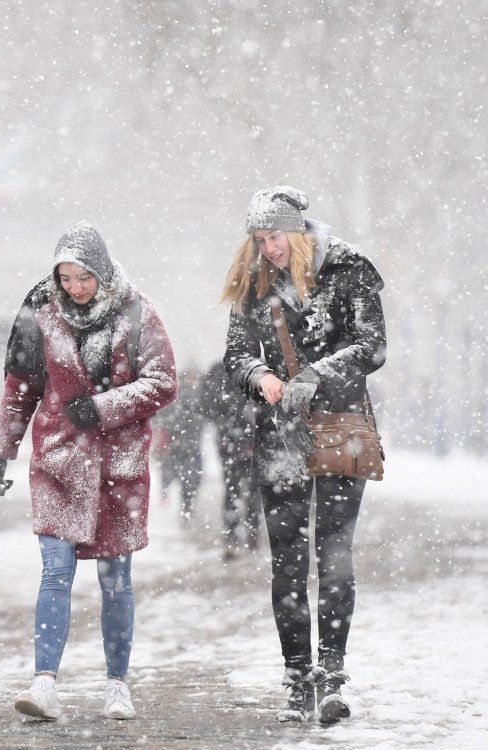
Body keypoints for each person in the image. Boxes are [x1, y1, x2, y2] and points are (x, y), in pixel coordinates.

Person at [0, 222, 177, 722]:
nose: (74, 288)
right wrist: (1, 451)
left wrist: (104, 407)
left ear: (103, 272)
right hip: (58, 463)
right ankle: (43, 681)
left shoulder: (137, 314)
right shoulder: (39, 314)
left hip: (118, 468)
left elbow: (162, 382)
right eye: (66, 278)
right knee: (55, 572)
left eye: (84, 277)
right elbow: (20, 388)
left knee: (116, 579)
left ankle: (117, 684)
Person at [221, 186, 386, 724]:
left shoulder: (349, 268)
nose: (269, 248)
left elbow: (372, 345)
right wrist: (259, 376)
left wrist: (317, 375)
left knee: (335, 554)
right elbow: (236, 353)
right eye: (260, 239)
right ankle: (297, 677)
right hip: (281, 434)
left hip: (342, 426)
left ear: (297, 230)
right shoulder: (255, 281)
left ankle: (332, 674)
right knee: (288, 560)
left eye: (276, 237)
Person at [199, 359, 261, 559]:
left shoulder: (219, 370)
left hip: (232, 440)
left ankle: (235, 538)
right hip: (247, 438)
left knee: (233, 487)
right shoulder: (259, 367)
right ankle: (250, 536)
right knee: (250, 488)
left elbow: (205, 404)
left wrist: (224, 420)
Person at [154, 367, 206, 520]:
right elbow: (165, 416)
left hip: (189, 445)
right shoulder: (179, 396)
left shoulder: (199, 396)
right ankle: (179, 506)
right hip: (178, 445)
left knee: (190, 479)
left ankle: (186, 508)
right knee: (181, 476)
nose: (192, 380)